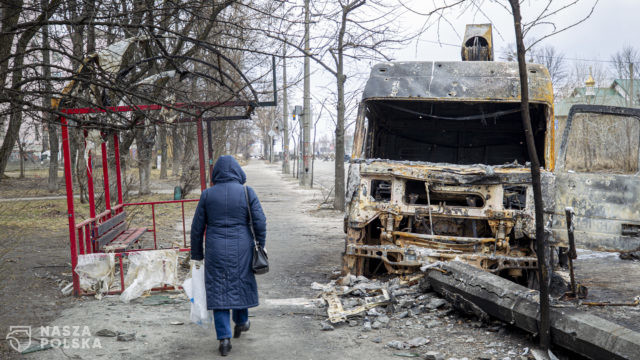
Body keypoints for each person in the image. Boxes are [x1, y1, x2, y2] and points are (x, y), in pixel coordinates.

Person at [190, 155, 267, 356]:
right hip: (242, 247)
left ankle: (224, 339)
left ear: (216, 173)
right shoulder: (246, 192)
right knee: (240, 283)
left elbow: (197, 228)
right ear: (237, 171)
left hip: (215, 249)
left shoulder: (207, 195)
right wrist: (261, 245)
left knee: (219, 289)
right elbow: (260, 221)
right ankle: (242, 321)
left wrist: (197, 254)